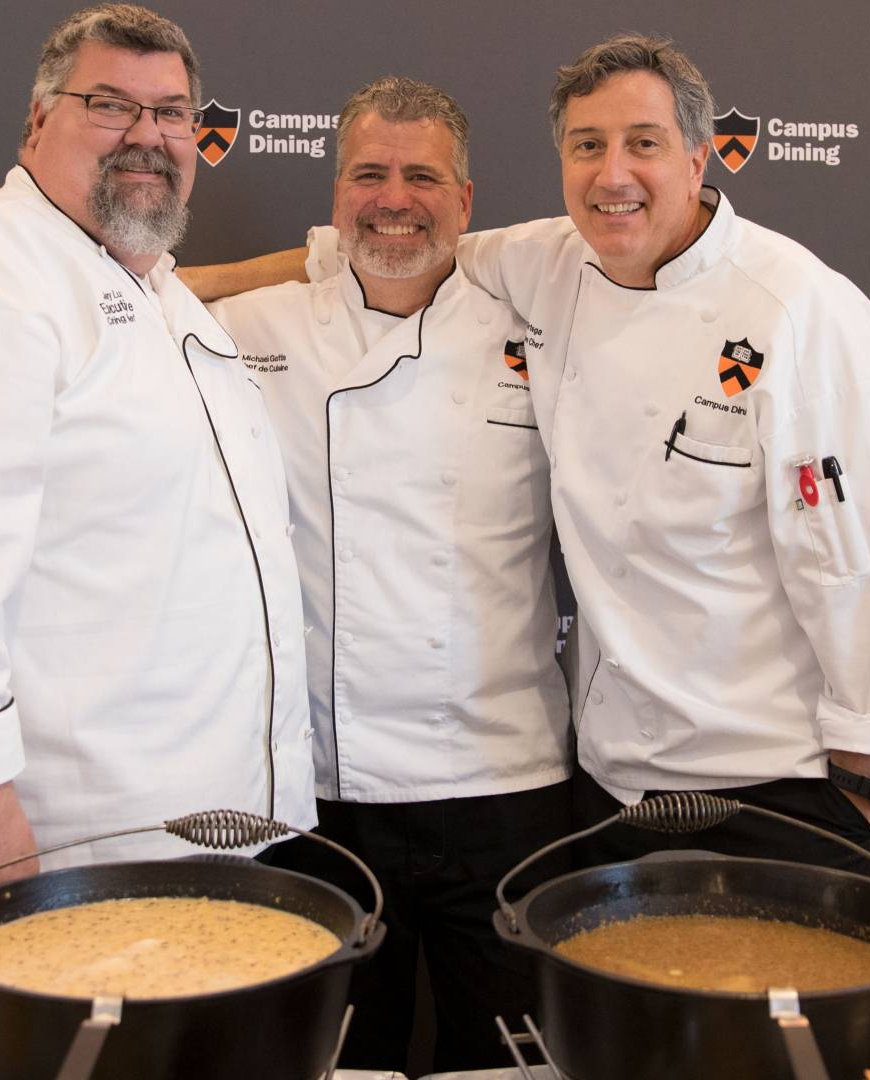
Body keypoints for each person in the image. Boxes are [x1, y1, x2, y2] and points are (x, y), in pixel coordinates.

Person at [204, 32, 870, 874]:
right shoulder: (550, 263)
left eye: (644, 144)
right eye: (588, 146)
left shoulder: (802, 311)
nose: (612, 174)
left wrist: (861, 773)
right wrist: (177, 282)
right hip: (611, 776)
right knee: (609, 1009)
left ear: (700, 158)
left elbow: (860, 564)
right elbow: (387, 243)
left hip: (771, 778)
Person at [0, 3, 311, 1044]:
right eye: (110, 104)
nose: (149, 134)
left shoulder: (147, 286)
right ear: (37, 120)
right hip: (38, 860)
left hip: (163, 854)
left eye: (173, 113)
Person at [205, 78, 572, 1072]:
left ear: (466, 198)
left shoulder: (540, 325)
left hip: (506, 789)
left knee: (507, 1072)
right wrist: (299, 261)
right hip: (321, 797)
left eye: (421, 176)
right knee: (327, 1067)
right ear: (333, 197)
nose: (393, 198)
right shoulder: (259, 327)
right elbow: (128, 291)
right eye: (368, 175)